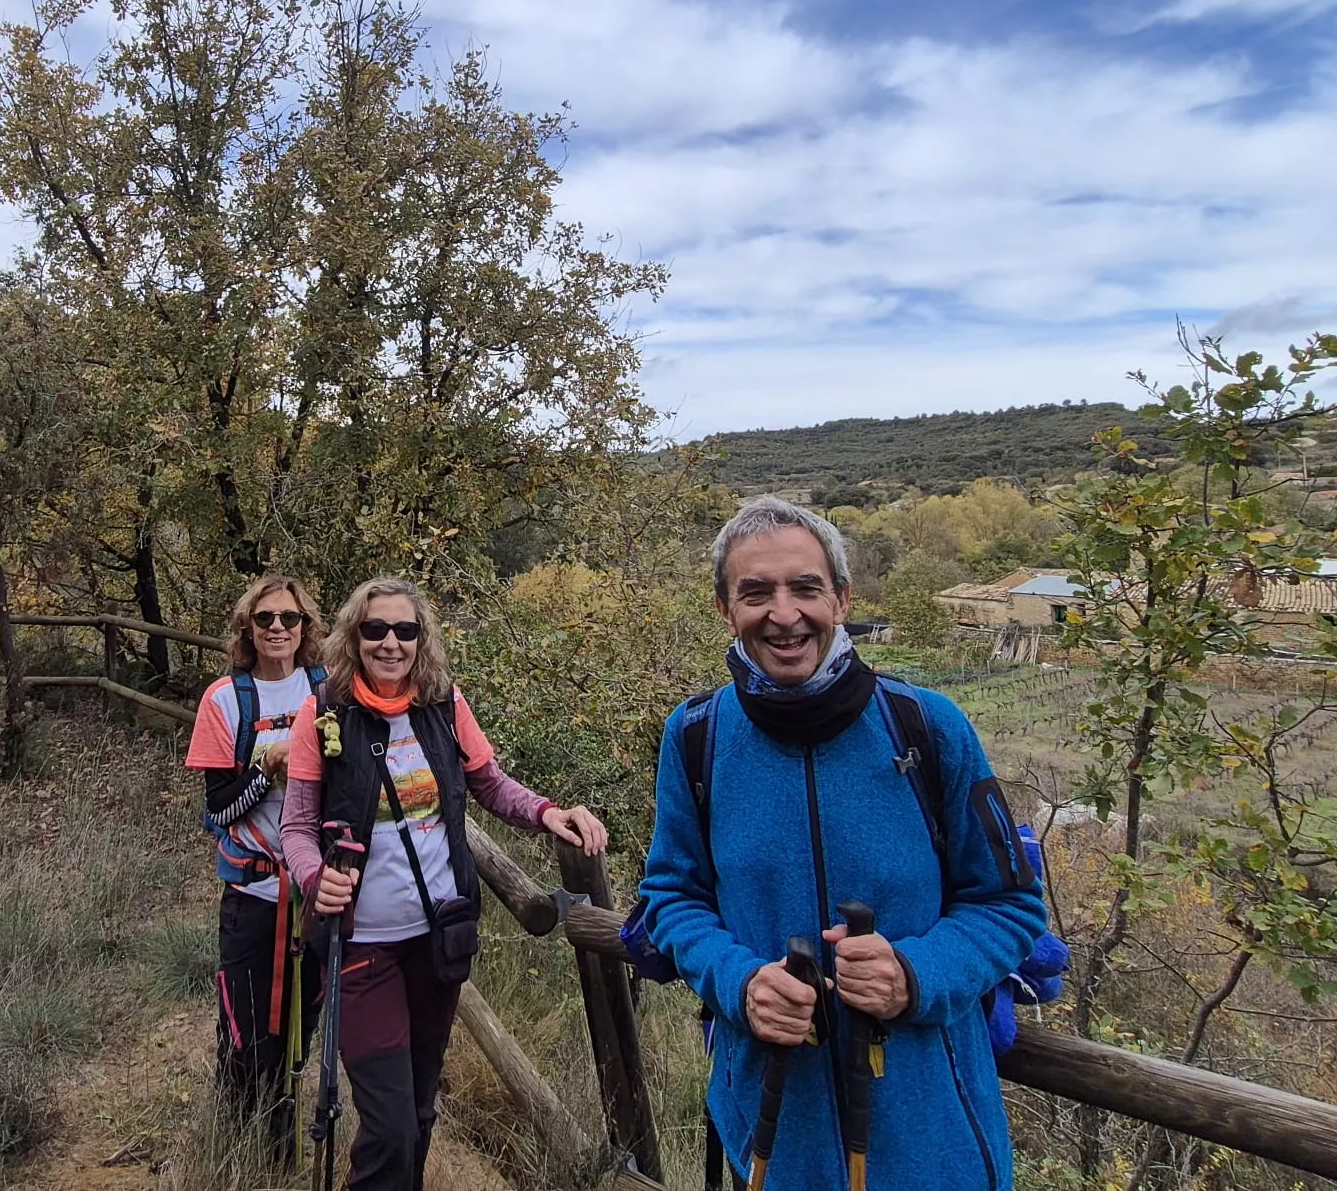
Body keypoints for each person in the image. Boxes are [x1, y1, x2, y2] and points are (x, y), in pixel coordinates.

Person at [639, 497, 1046, 1190]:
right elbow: (672, 896)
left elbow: (1009, 906)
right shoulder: (696, 737)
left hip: (931, 1140)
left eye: (805, 587)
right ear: (725, 610)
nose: (784, 613)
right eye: (756, 592)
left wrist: (915, 975)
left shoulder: (929, 727)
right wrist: (739, 983)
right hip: (768, 1134)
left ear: (843, 597)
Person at [282, 577, 608, 1191]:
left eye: (405, 630)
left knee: (422, 1106)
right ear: (354, 636)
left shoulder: (443, 704)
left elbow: (490, 784)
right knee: (390, 1125)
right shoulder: (322, 713)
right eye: (375, 629)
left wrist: (547, 813)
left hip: (437, 941)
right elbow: (296, 826)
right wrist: (312, 874)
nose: (390, 643)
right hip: (361, 948)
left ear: (421, 638)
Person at [184, 575, 328, 1161]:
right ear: (248, 627)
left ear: (305, 629)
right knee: (245, 1027)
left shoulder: (330, 689)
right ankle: (234, 1144)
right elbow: (218, 805)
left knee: (302, 1022)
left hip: (318, 890)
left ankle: (282, 1146)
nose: (277, 628)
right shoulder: (225, 700)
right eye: (265, 618)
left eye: (289, 619)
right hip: (253, 888)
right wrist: (269, 767)